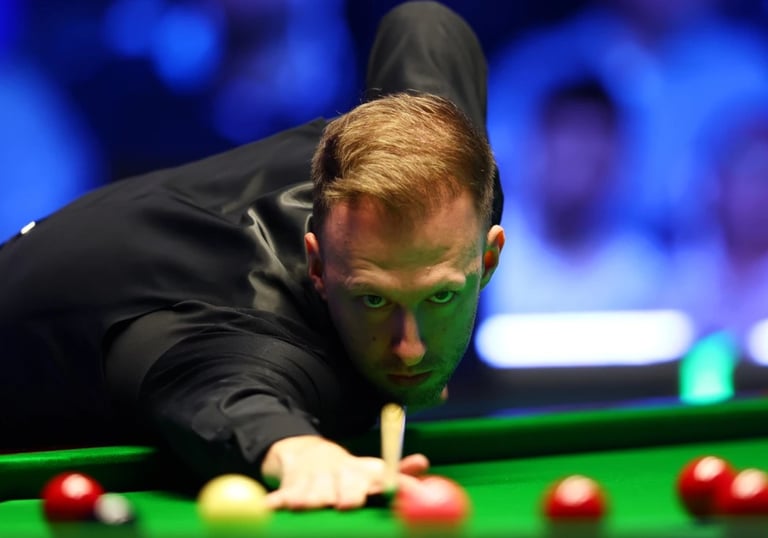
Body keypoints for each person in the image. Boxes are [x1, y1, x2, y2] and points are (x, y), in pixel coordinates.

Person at [0, 1, 504, 511]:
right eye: (374, 300)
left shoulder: (451, 168)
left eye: (440, 296)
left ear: (487, 258)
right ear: (317, 266)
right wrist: (302, 452)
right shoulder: (259, 328)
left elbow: (424, 24)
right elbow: (222, 399)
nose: (410, 348)